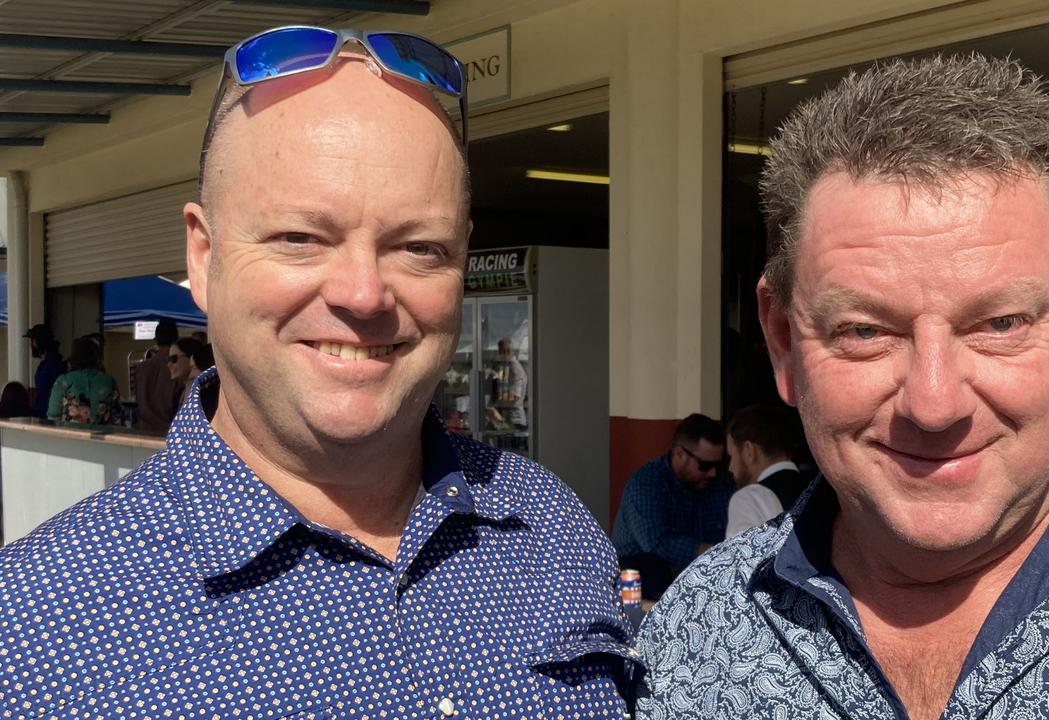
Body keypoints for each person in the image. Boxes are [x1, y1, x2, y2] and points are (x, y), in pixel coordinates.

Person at [0, 26, 635, 719]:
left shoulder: (553, 528)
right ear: (203, 257)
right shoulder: (38, 628)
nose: (362, 294)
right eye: (300, 238)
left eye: (418, 246)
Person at [636, 54, 1049, 718]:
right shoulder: (695, 630)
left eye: (1000, 323)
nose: (935, 404)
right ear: (782, 339)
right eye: (864, 330)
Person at [612, 413, 734, 600]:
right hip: (640, 589)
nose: (713, 473)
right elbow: (657, 544)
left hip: (698, 585)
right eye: (705, 465)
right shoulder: (646, 484)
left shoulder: (719, 483)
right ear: (679, 454)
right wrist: (710, 550)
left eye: (719, 464)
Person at [723, 404, 805, 538]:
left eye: (731, 455)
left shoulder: (749, 498)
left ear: (749, 451)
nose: (730, 467)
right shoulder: (823, 492)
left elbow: (742, 557)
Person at [46, 336, 122, 425]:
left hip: (70, 436)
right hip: (101, 436)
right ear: (96, 358)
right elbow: (117, 416)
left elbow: (53, 415)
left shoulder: (63, 381)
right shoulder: (109, 381)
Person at [134, 319, 183, 433]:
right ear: (176, 340)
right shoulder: (177, 368)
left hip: (143, 430)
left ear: (156, 340)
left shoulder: (142, 367)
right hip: (168, 432)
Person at [23, 323, 65, 416]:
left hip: (48, 414)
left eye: (33, 340)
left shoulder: (53, 363)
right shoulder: (46, 363)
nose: (31, 345)